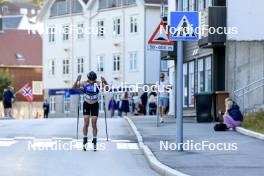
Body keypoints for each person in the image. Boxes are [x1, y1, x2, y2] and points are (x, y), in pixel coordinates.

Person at [73, 71, 108, 151]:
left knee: (94, 123)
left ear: (95, 79)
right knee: (86, 122)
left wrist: (105, 81)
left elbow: (107, 89)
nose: (92, 81)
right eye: (90, 80)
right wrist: (77, 80)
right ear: (88, 79)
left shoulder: (98, 83)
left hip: (95, 105)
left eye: (93, 80)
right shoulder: (84, 83)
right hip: (86, 104)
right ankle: (85, 140)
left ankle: (94, 140)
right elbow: (74, 88)